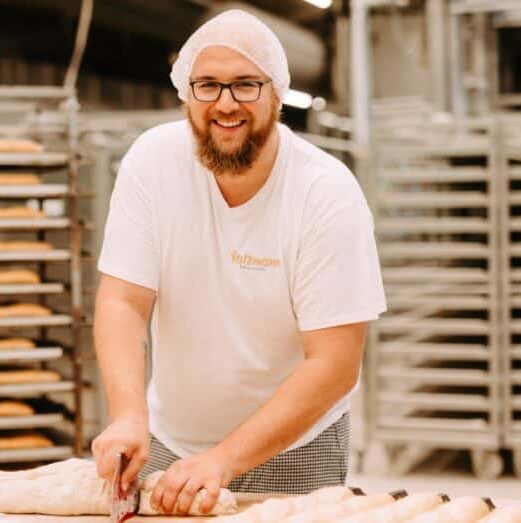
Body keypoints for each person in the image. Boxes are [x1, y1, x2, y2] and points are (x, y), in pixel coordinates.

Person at [91, 9, 385, 515]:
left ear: (277, 94)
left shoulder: (325, 193)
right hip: (172, 443)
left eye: (245, 84)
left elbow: (334, 365)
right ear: (187, 93)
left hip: (297, 449)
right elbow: (122, 301)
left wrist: (224, 459)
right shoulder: (152, 163)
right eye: (207, 85)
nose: (226, 104)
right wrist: (127, 415)